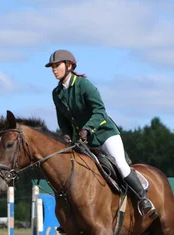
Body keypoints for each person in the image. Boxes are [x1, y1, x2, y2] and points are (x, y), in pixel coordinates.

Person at [45, 49, 156, 218]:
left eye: (57, 65)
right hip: (83, 140)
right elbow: (63, 120)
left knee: (119, 163)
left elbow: (99, 111)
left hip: (104, 133)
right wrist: (66, 135)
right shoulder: (57, 93)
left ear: (69, 65)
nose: (54, 69)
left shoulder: (84, 85)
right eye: (52, 66)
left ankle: (143, 199)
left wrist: (87, 129)